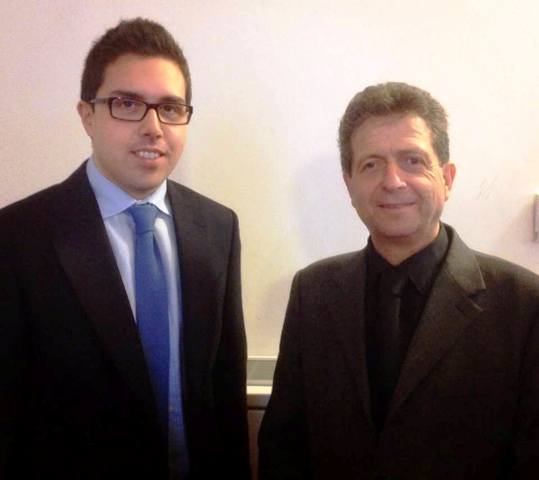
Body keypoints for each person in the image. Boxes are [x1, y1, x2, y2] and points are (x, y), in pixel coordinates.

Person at [0, 18, 251, 480]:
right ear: (87, 115)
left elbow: (225, 392)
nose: (153, 127)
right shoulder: (18, 238)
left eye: (170, 108)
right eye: (128, 104)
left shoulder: (218, 228)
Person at [258, 82, 539, 479]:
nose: (392, 181)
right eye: (371, 165)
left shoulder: (523, 304)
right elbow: (283, 447)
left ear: (447, 178)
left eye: (412, 160)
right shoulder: (313, 292)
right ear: (349, 184)